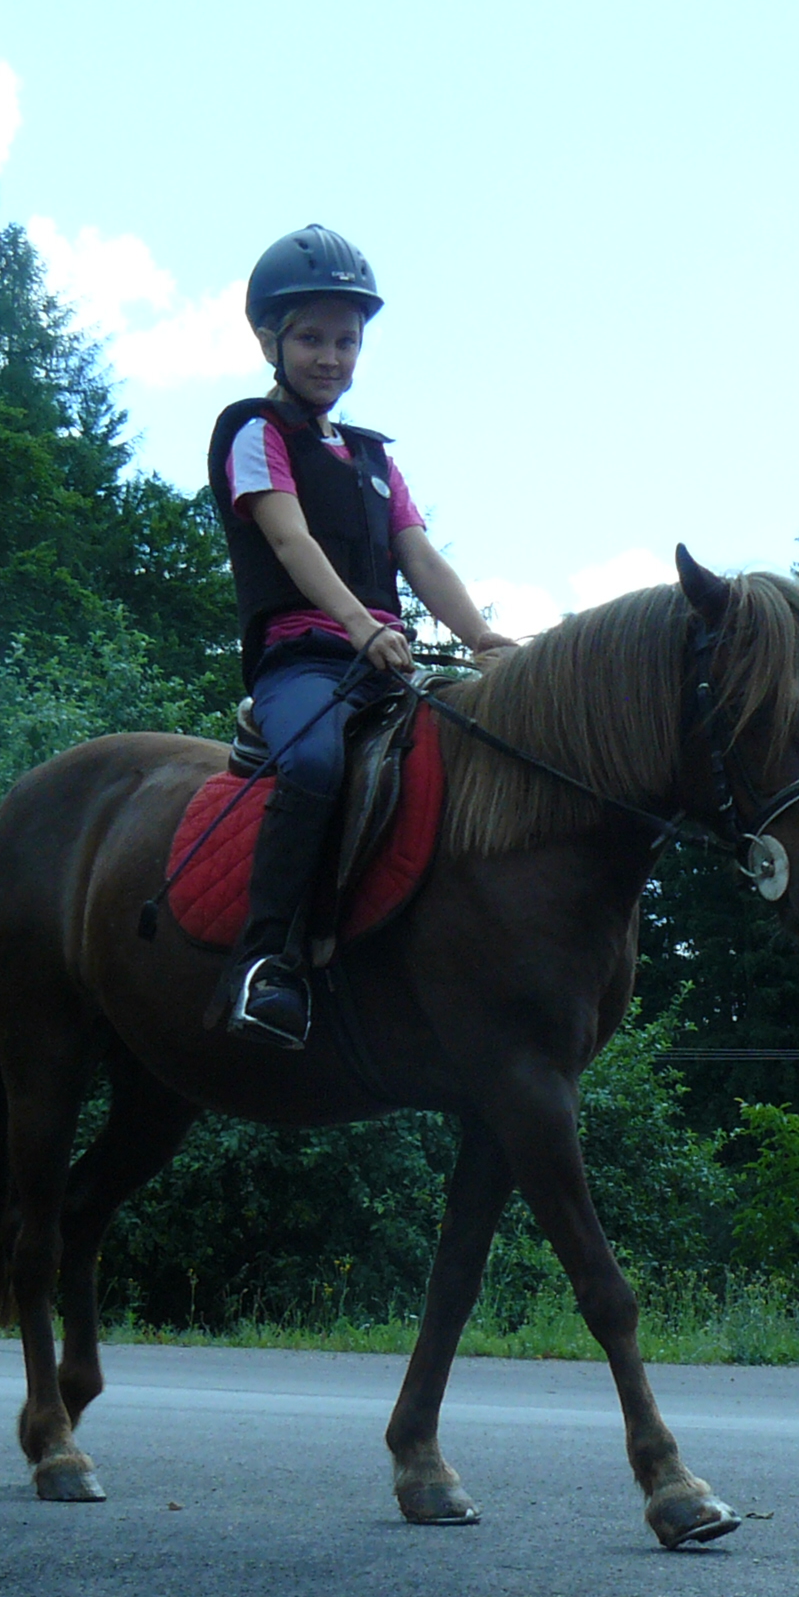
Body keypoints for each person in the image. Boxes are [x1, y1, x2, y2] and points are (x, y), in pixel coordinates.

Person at [205, 225, 515, 1049]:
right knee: (313, 761)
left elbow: (418, 555)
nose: (331, 357)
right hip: (303, 660)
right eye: (311, 338)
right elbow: (289, 542)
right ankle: (264, 963)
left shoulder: (376, 458)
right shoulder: (253, 433)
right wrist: (357, 626)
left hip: (386, 664)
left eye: (347, 340)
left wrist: (484, 638)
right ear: (270, 340)